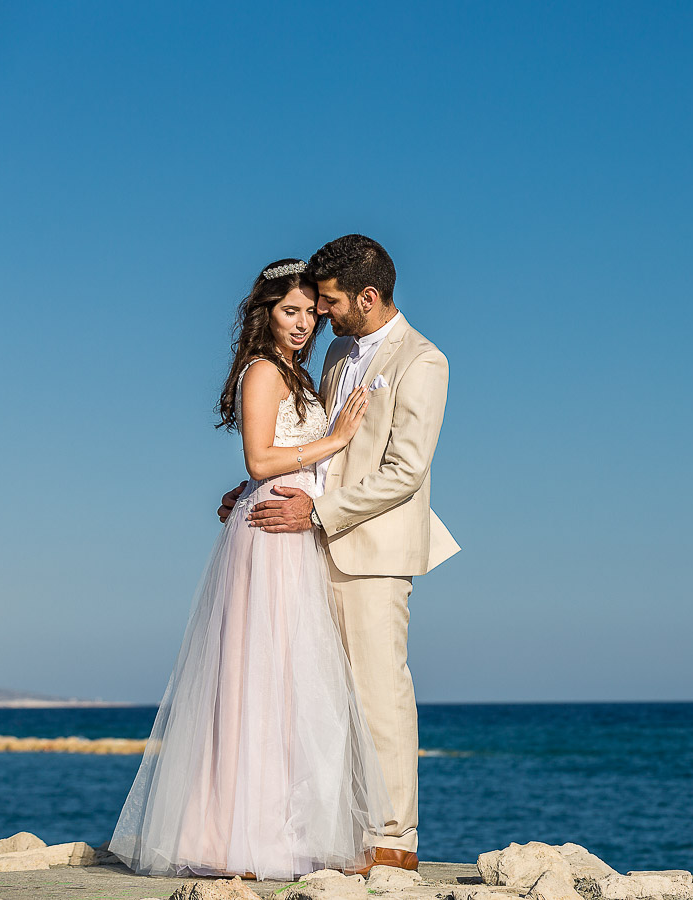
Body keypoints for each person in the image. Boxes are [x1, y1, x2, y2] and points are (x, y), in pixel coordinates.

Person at [108, 258, 392, 882]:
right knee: (257, 678)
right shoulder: (263, 370)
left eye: (310, 314)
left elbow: (272, 466)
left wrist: (252, 484)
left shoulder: (298, 373)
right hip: (269, 539)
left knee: (289, 681)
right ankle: (231, 836)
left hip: (288, 527)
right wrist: (338, 438)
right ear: (264, 313)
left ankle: (280, 833)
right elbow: (263, 457)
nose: (302, 325)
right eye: (289, 311)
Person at [219, 234, 460, 874]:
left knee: (380, 695)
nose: (319, 315)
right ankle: (343, 832)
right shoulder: (337, 356)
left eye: (327, 303)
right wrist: (259, 487)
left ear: (369, 297)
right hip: (308, 547)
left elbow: (404, 471)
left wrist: (316, 511)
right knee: (324, 700)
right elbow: (323, 446)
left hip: (373, 552)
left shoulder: (422, 361)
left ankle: (393, 840)